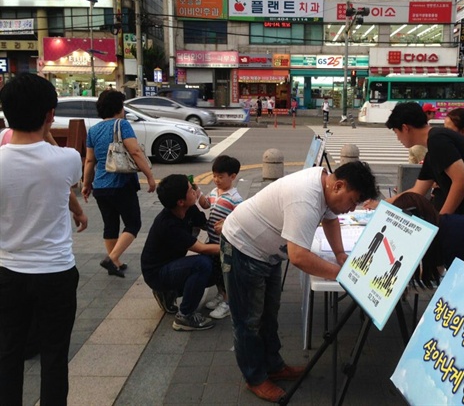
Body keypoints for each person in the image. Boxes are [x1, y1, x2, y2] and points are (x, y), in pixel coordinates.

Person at [220, 162, 378, 402]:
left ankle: (273, 366)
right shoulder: (305, 198)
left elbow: (331, 219)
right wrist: (342, 274)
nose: (351, 209)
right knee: (248, 321)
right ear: (338, 186)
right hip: (243, 249)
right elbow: (299, 257)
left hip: (267, 253)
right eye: (352, 201)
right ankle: (255, 378)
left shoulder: (323, 183)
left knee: (269, 314)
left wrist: (340, 254)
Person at [0, 73, 85, 405]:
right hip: (56, 273)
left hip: (7, 271)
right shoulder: (67, 159)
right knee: (54, 356)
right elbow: (66, 185)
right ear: (50, 114)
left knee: (8, 352)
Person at [383, 102, 464, 229]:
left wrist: (441, 220)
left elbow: (462, 180)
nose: (398, 138)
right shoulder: (432, 149)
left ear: (405, 128)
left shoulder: (438, 140)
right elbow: (418, 191)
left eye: (396, 132)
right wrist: (383, 204)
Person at [82, 90, 156, 277]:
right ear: (118, 108)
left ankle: (115, 262)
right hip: (121, 184)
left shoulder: (93, 130)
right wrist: (149, 175)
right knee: (133, 224)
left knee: (110, 225)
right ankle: (111, 258)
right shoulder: (122, 124)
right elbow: (135, 152)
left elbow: (90, 161)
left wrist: (86, 184)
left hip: (100, 187)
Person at [141, 174, 219, 331]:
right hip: (157, 273)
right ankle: (185, 315)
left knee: (214, 266)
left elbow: (205, 224)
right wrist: (232, 247)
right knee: (202, 264)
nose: (194, 192)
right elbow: (201, 248)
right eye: (191, 190)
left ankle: (170, 293)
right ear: (180, 201)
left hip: (172, 265)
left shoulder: (188, 209)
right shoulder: (168, 224)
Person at [196, 155, 243, 320]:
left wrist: (226, 223)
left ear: (233, 176)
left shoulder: (235, 198)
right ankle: (221, 294)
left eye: (220, 177)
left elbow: (241, 220)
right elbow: (205, 205)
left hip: (226, 243)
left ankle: (228, 302)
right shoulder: (214, 192)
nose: (216, 179)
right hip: (212, 241)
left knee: (226, 273)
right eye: (214, 175)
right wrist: (198, 193)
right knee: (217, 272)